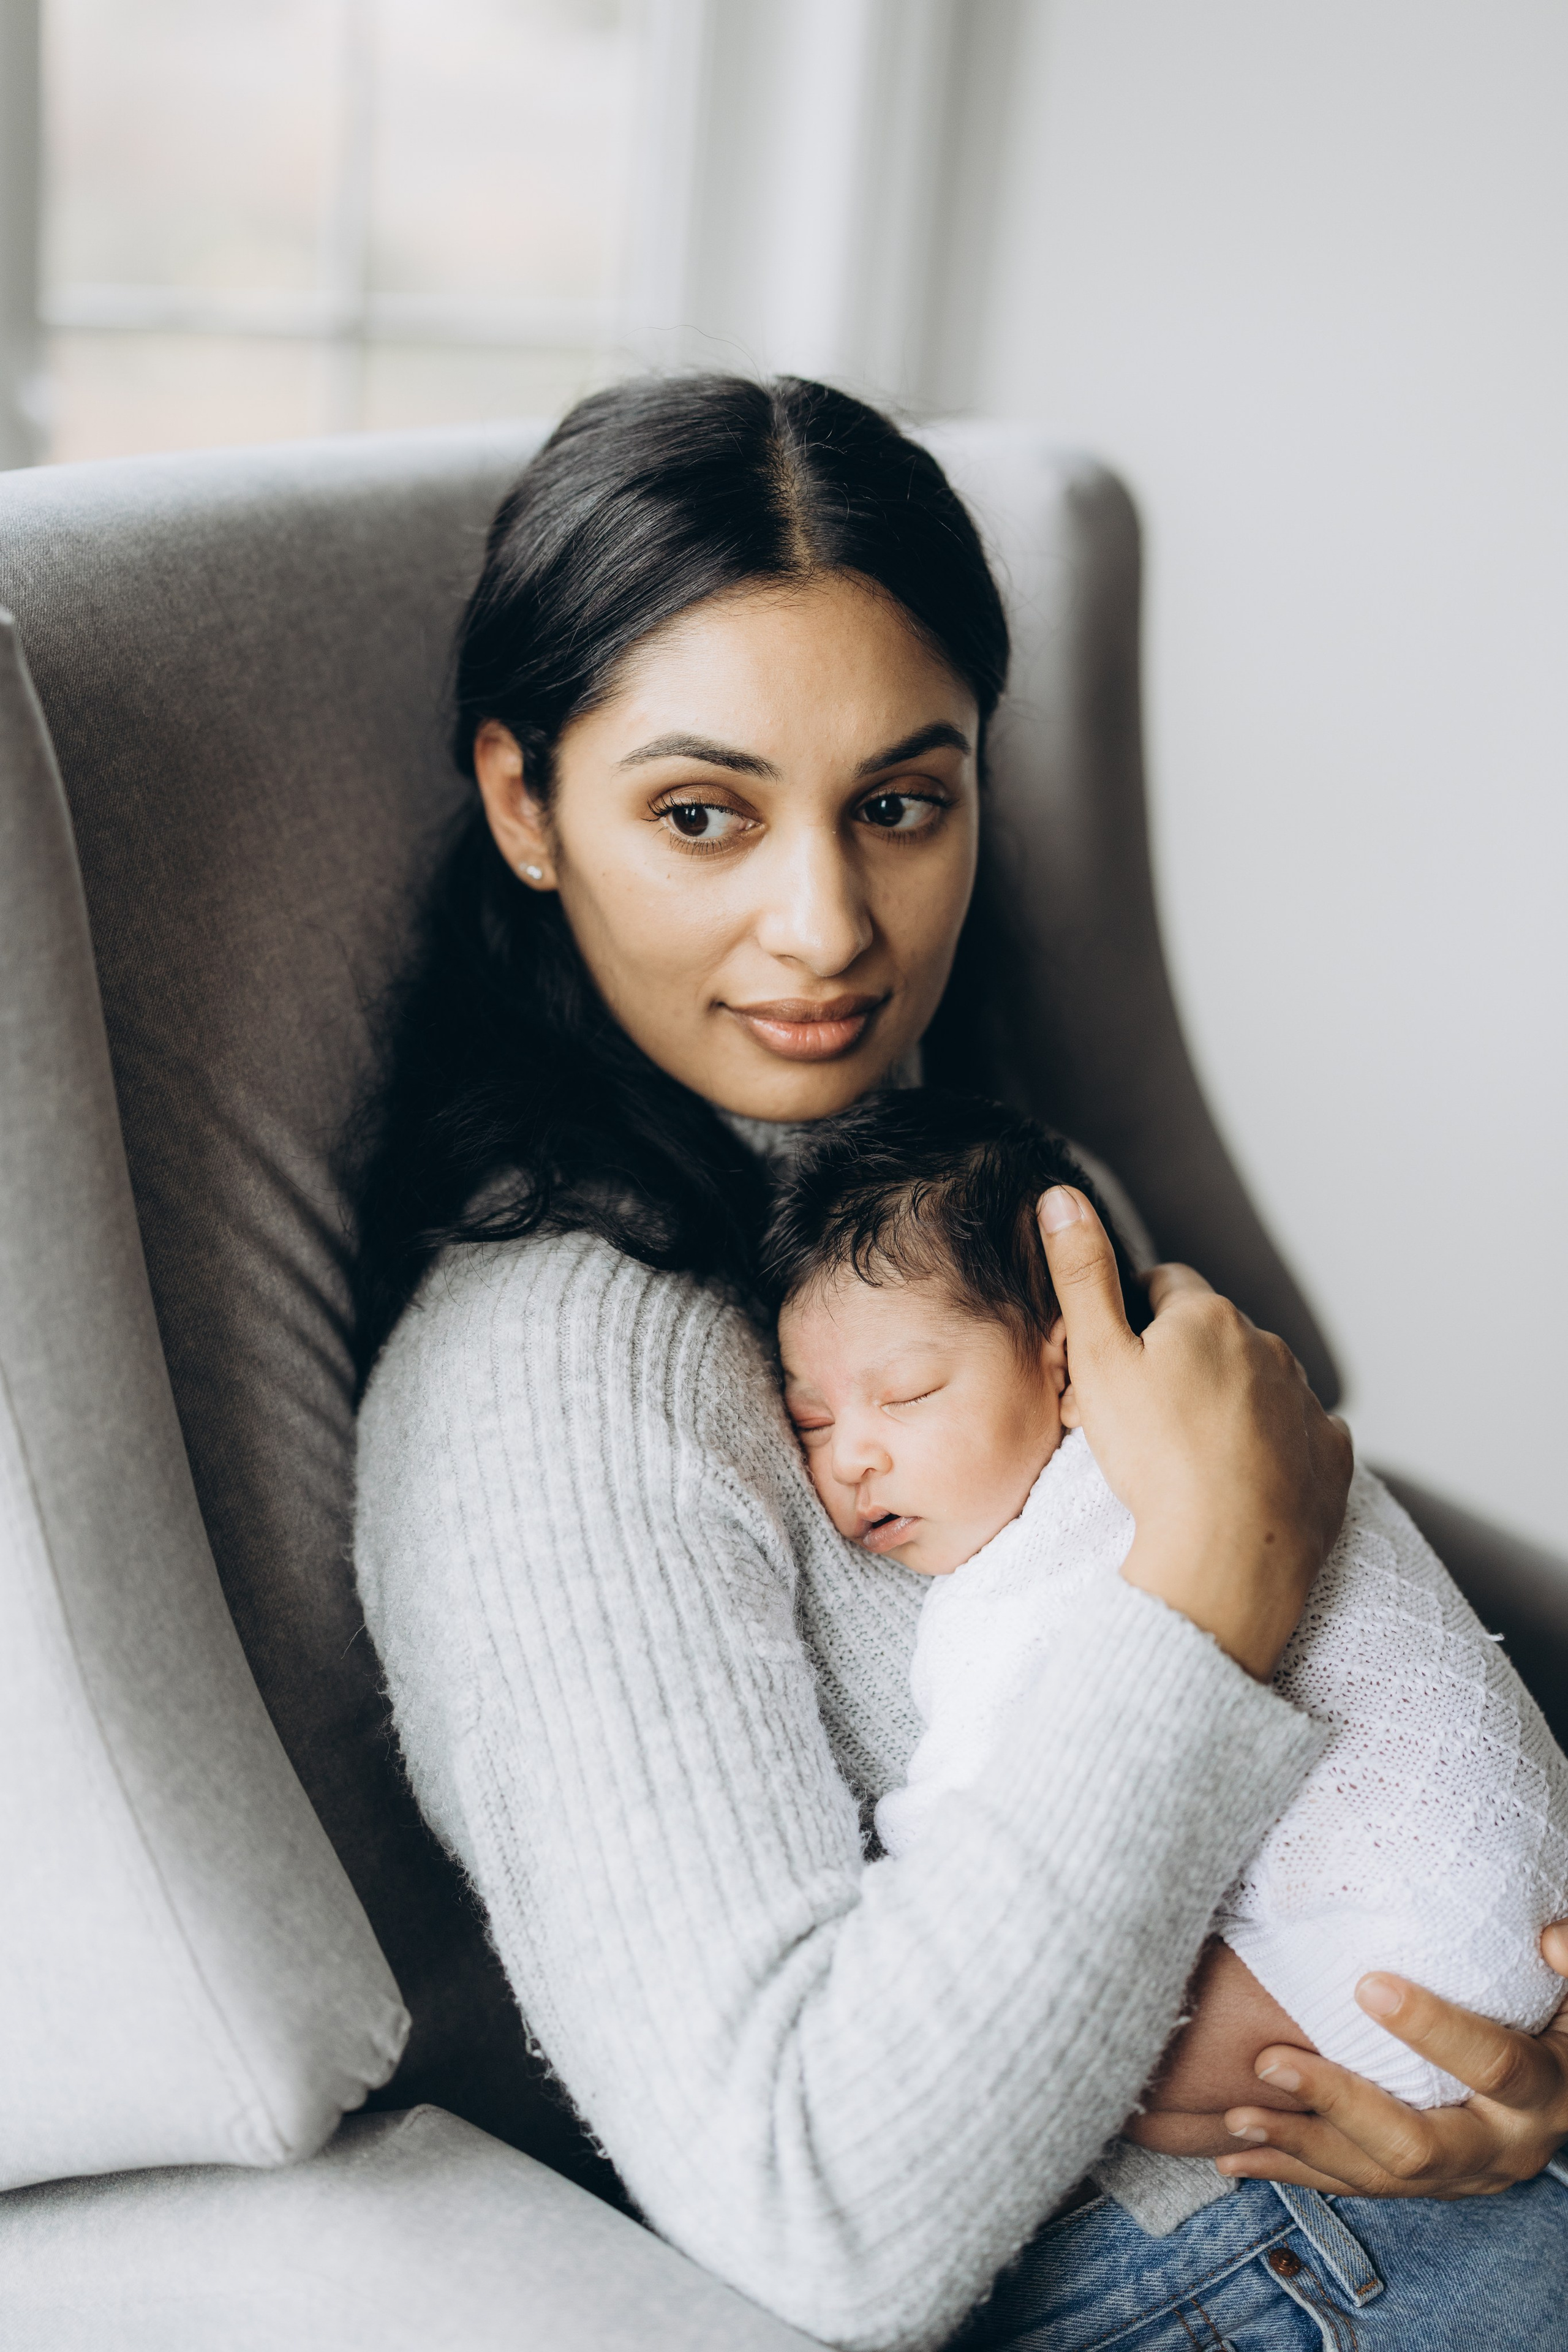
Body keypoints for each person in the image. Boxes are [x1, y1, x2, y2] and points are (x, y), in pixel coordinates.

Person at [350, 374, 1568, 2352]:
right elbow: (817, 2207)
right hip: (1223, 2283)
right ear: (523, 803)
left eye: (902, 803)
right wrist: (1203, 1605)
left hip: (1415, 2203)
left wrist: (1511, 2042)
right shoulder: (550, 1382)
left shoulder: (1003, 1185)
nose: (826, 930)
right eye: (699, 815)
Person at [765, 1090, 1568, 2117]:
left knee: (1080, 2066)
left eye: (910, 1394)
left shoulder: (1059, 1545)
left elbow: (990, 1863)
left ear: (1068, 1365)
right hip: (1522, 1903)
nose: (851, 1455)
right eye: (810, 1418)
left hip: (1402, 1960)